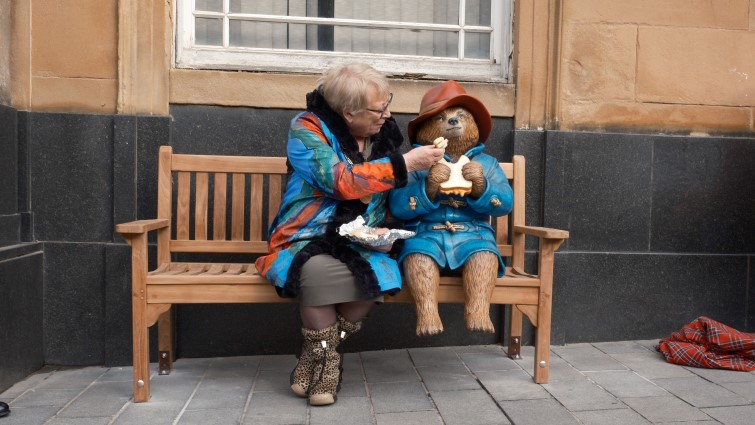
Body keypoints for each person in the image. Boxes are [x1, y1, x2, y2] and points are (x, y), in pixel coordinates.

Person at [254, 63, 443, 406]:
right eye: (378, 108)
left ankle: (312, 356)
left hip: (362, 239)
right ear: (348, 112)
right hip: (306, 236)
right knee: (313, 272)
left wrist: (384, 227)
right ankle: (327, 369)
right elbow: (339, 181)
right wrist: (407, 164)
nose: (387, 113)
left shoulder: (384, 134)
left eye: (388, 102)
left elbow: (384, 199)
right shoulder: (306, 129)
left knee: (379, 277)